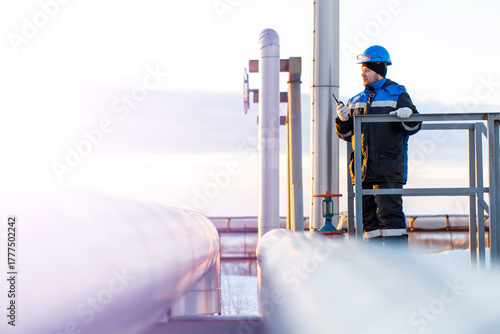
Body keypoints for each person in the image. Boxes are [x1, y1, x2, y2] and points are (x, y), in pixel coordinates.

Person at [335, 45, 421, 246]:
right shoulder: (356, 100)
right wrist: (343, 119)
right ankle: (375, 268)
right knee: (368, 221)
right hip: (362, 170)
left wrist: (408, 114)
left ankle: (397, 263)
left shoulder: (397, 94)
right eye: (362, 70)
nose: (363, 74)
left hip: (388, 169)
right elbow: (347, 135)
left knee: (390, 216)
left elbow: (414, 126)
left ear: (379, 70)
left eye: (367, 69)